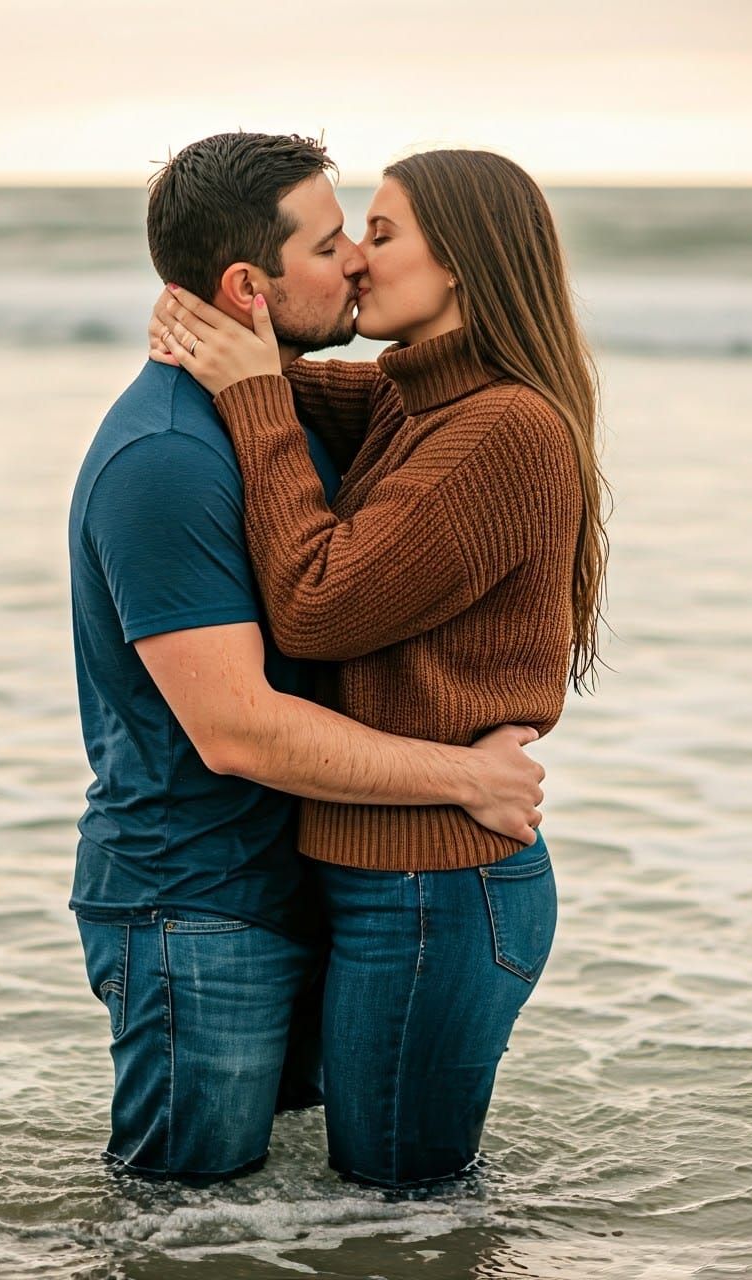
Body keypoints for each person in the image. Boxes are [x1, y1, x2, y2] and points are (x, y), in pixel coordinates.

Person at [69, 133, 546, 1186]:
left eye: (369, 236)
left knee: (322, 1215)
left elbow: (384, 420)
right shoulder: (168, 460)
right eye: (335, 242)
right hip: (192, 899)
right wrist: (467, 773)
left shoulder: (374, 418)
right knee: (182, 1227)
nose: (357, 264)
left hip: (291, 884)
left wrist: (249, 366)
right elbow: (237, 726)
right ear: (248, 283)